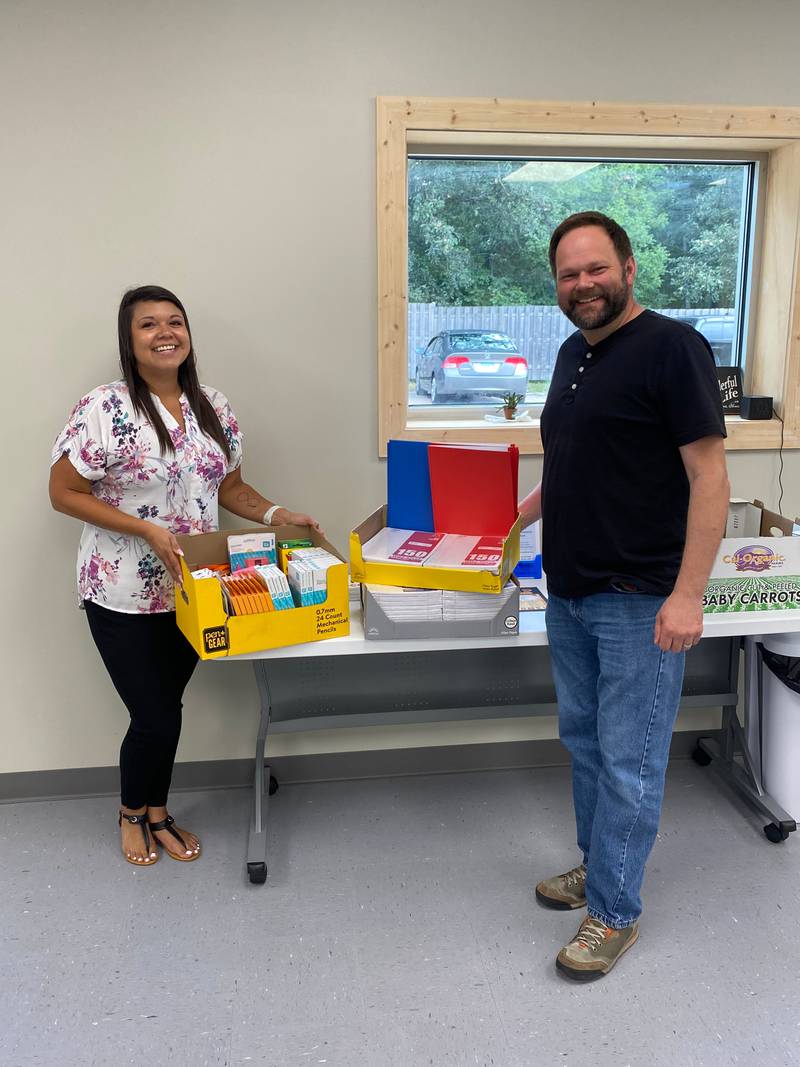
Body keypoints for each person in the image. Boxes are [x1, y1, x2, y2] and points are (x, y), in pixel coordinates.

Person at [519, 212, 729, 981]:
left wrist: (689, 595)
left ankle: (615, 910)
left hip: (641, 597)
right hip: (569, 590)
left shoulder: (674, 349)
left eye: (596, 269)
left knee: (629, 761)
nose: (583, 285)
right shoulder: (575, 351)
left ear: (630, 268)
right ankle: (597, 864)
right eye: (569, 274)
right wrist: (516, 518)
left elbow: (709, 476)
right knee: (584, 745)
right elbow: (576, 457)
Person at [50, 285, 320, 868]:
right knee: (154, 713)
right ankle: (131, 813)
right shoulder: (105, 406)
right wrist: (144, 528)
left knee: (166, 706)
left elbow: (230, 489)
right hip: (120, 589)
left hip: (195, 589)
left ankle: (156, 810)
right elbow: (63, 492)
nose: (164, 332)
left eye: (175, 321)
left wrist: (279, 516)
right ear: (129, 340)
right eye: (148, 324)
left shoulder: (213, 406)